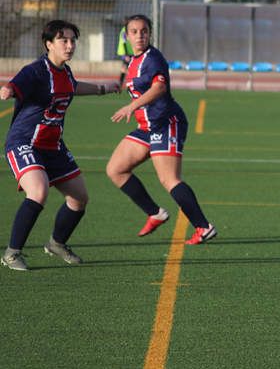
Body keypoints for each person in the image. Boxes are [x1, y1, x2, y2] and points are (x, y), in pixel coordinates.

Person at [1, 20, 119, 271]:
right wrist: (8, 89)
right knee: (39, 191)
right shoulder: (36, 70)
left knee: (79, 198)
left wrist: (103, 89)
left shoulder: (65, 72)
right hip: (25, 142)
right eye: (63, 40)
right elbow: (16, 82)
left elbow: (74, 88)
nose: (70, 45)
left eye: (73, 40)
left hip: (53, 146)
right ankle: (12, 253)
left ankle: (56, 243)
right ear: (48, 44)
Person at [105, 14, 216, 245]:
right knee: (116, 169)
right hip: (147, 126)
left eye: (144, 31)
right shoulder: (134, 60)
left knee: (169, 179)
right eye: (134, 31)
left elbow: (159, 88)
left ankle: (203, 227)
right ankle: (155, 213)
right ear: (126, 35)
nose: (139, 36)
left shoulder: (152, 58)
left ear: (150, 33)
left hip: (166, 122)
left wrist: (131, 106)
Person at [117, 23, 134, 88]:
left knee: (124, 68)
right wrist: (126, 55)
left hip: (129, 52)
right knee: (126, 68)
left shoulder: (125, 29)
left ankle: (121, 83)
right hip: (127, 53)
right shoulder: (125, 30)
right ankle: (124, 83)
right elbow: (124, 42)